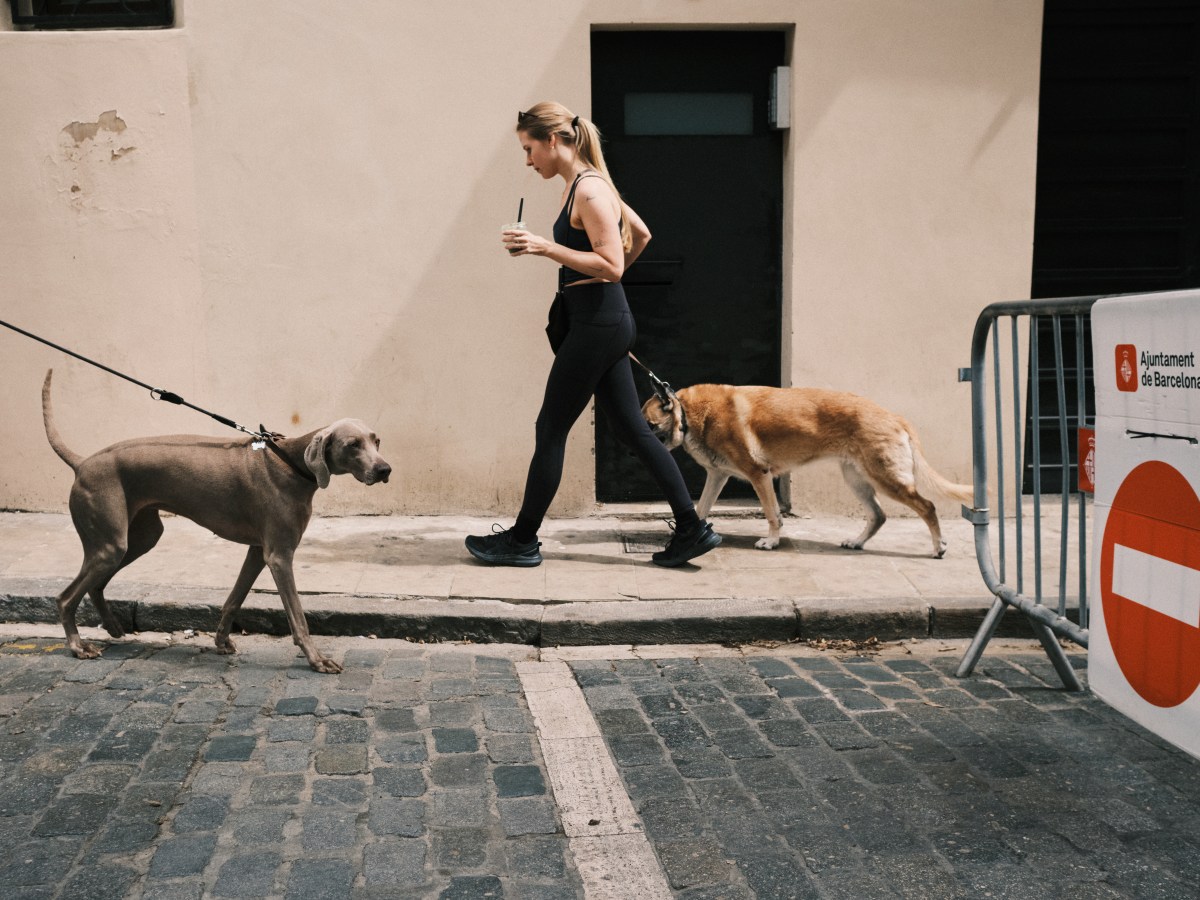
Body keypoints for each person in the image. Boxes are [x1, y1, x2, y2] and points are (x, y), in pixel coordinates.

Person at [465, 101, 722, 569]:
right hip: (600, 318)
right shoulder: (585, 186)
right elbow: (640, 233)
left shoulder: (589, 191)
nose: (528, 161)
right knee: (631, 429)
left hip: (597, 323)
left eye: (529, 150)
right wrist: (592, 281)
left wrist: (548, 249)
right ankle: (691, 528)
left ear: (553, 141)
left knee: (550, 427)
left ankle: (522, 540)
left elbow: (614, 264)